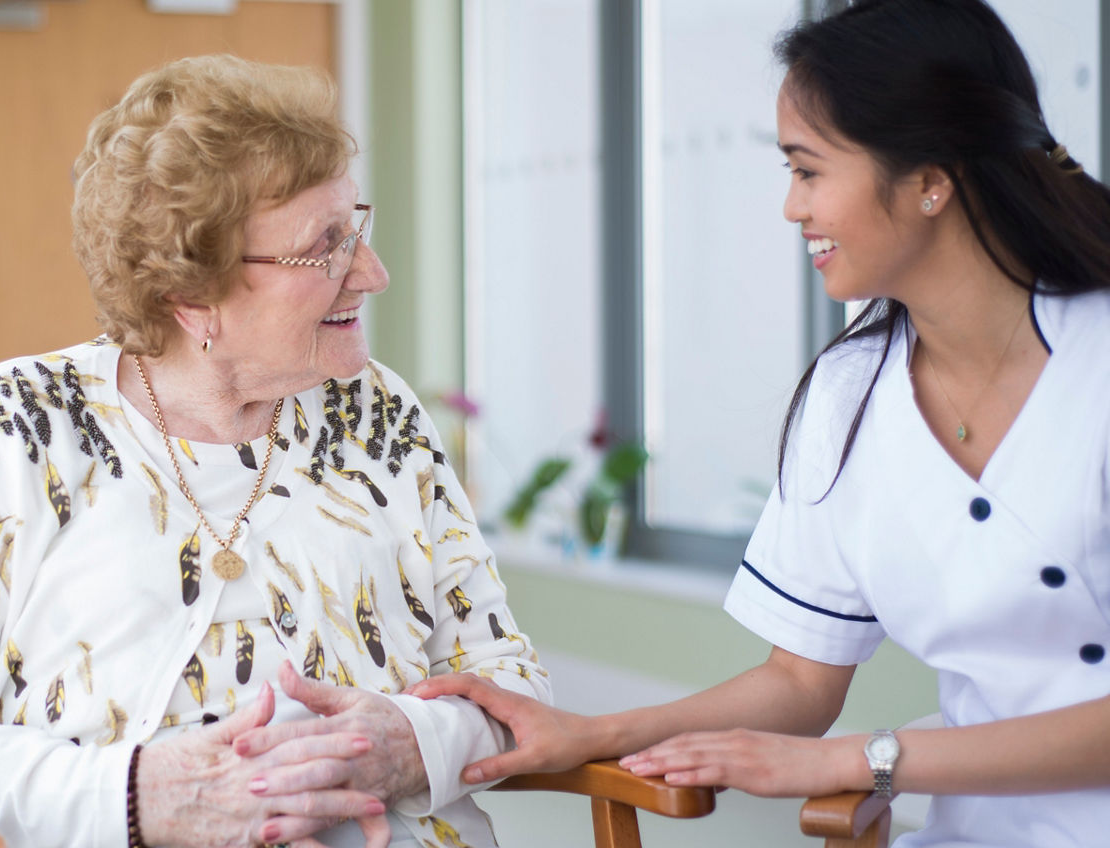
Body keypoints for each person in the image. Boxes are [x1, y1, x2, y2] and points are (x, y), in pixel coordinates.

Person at [409, 1, 1110, 845]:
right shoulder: (848, 397)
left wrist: (864, 761)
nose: (790, 207)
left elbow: (842, 744)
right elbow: (798, 680)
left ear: (931, 180)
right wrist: (599, 734)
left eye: (809, 171)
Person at [0, 55, 548, 848]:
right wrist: (135, 794)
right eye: (327, 246)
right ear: (191, 292)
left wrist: (413, 744)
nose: (372, 274)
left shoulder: (379, 415)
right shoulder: (23, 423)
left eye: (359, 229)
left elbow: (509, 682)